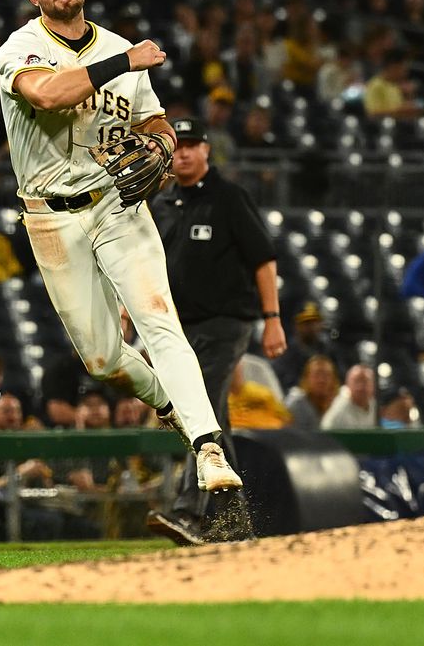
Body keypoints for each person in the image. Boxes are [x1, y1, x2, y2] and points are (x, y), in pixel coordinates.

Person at [0, 0, 241, 497]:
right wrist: (122, 62)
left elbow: (152, 116)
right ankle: (165, 401)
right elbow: (49, 93)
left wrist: (160, 141)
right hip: (52, 218)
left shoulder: (118, 45)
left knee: (159, 320)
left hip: (116, 202)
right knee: (103, 358)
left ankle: (208, 446)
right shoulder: (25, 47)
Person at [144, 116, 286, 546]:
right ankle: (235, 523)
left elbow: (263, 258)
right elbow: (145, 267)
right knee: (213, 416)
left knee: (196, 408)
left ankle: (189, 511)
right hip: (178, 329)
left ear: (207, 150)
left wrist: (273, 318)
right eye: (178, 145)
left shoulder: (229, 198)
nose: (183, 152)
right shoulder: (163, 204)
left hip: (227, 323)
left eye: (192, 144)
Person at [283, 355, 338, 431]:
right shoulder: (296, 405)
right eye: (317, 374)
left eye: (326, 375)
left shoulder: (338, 404)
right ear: (307, 378)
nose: (321, 380)